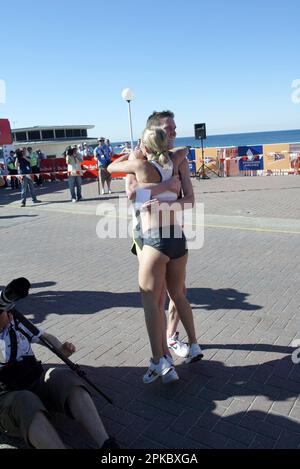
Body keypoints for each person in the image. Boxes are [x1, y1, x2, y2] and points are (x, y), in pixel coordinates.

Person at [108, 127, 203, 384]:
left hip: (155, 240)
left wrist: (133, 153)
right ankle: (190, 345)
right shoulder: (176, 160)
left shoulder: (140, 166)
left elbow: (111, 169)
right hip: (179, 241)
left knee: (152, 305)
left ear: (146, 147)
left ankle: (158, 362)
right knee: (177, 294)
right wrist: (169, 185)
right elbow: (185, 150)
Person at [127, 111, 195, 359]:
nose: (174, 133)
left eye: (175, 128)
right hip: (145, 233)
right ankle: (161, 354)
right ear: (153, 133)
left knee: (179, 293)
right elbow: (132, 194)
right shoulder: (137, 158)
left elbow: (189, 201)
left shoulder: (179, 161)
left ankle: (171, 336)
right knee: (155, 298)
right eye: (169, 129)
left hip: (173, 232)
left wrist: (165, 205)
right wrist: (165, 188)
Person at [0, 307, 119, 449]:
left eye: (6, 309)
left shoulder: (16, 321)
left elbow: (45, 337)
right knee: (26, 400)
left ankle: (106, 443)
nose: (9, 314)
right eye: (3, 312)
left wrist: (61, 350)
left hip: (35, 380)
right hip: (8, 397)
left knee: (65, 377)